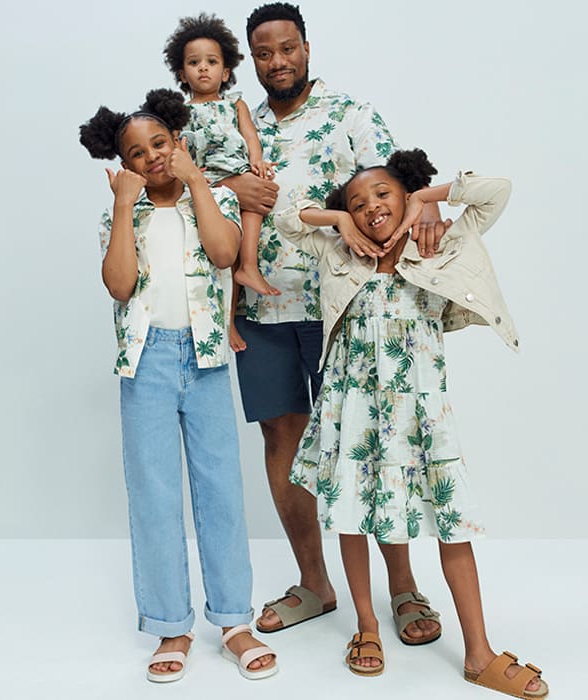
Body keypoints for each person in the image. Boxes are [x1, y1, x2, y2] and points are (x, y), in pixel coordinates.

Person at [274, 149, 548, 698]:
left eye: (383, 194)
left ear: (404, 195)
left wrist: (429, 197)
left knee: (452, 522)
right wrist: (339, 221)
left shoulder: (437, 243)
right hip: (350, 409)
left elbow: (497, 188)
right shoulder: (338, 252)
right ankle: (366, 627)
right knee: (351, 516)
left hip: (422, 415)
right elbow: (286, 216)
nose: (371, 206)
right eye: (358, 202)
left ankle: (479, 653)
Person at [221, 2, 446, 642]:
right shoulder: (238, 125)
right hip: (260, 309)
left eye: (286, 48)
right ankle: (315, 584)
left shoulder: (350, 114)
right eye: (263, 53)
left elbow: (398, 188)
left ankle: (403, 589)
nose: (277, 62)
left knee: (376, 443)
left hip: (341, 306)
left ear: (306, 47)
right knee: (282, 442)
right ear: (250, 59)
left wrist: (429, 206)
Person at [78, 88, 277, 682]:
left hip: (207, 357)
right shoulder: (126, 212)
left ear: (178, 143)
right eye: (136, 154)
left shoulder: (208, 197)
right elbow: (118, 285)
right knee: (155, 495)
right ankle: (171, 624)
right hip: (147, 364)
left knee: (220, 489)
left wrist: (196, 183)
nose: (151, 158)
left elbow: (223, 254)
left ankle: (234, 622)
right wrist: (120, 207)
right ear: (127, 166)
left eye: (159, 144)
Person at [164, 13, 280, 301]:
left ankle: (250, 266)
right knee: (219, 247)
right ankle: (225, 320)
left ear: (225, 72)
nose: (203, 68)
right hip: (206, 180)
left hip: (237, 168)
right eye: (194, 63)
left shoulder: (235, 103)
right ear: (182, 74)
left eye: (212, 62)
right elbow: (175, 146)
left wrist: (257, 161)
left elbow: (250, 134)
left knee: (254, 207)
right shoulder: (180, 110)